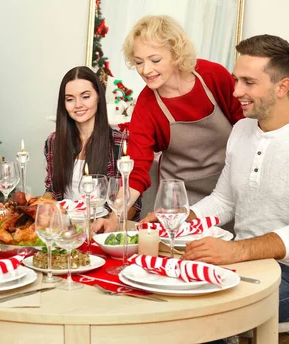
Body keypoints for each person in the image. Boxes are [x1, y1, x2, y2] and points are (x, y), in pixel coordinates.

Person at [147, 34, 289, 323]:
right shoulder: (241, 131)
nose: (236, 91)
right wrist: (178, 217)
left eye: (249, 82)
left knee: (201, 316)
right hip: (247, 264)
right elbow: (224, 200)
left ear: (282, 87)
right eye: (236, 80)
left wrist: (235, 251)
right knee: (164, 298)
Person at [94, 15, 243, 233]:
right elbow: (135, 171)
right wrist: (115, 216)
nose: (145, 70)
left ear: (176, 54)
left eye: (155, 60)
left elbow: (246, 128)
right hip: (178, 202)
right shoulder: (146, 106)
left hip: (229, 194)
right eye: (138, 62)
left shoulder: (213, 77)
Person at [44, 66, 142, 220]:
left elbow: (133, 205)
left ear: (98, 97)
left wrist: (111, 224)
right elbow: (51, 190)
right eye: (70, 99)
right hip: (65, 229)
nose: (78, 104)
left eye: (85, 96)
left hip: (103, 230)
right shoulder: (54, 141)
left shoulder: (120, 142)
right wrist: (42, 205)